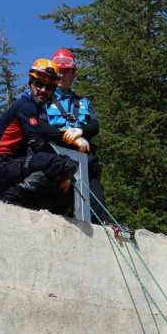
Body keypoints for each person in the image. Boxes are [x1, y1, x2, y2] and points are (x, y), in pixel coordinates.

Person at [0, 59, 88, 212]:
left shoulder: (39, 109)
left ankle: (23, 200)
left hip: (10, 166)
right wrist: (65, 166)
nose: (44, 90)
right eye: (39, 84)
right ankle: (11, 197)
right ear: (30, 83)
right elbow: (38, 144)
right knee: (62, 164)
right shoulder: (26, 105)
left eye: (50, 86)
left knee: (58, 198)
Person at [43, 48, 111, 223]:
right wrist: (64, 135)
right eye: (58, 71)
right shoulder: (43, 100)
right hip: (57, 161)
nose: (62, 76)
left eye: (66, 71)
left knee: (97, 207)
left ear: (74, 73)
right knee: (57, 213)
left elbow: (95, 125)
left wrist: (81, 131)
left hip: (85, 163)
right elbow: (39, 126)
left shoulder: (83, 102)